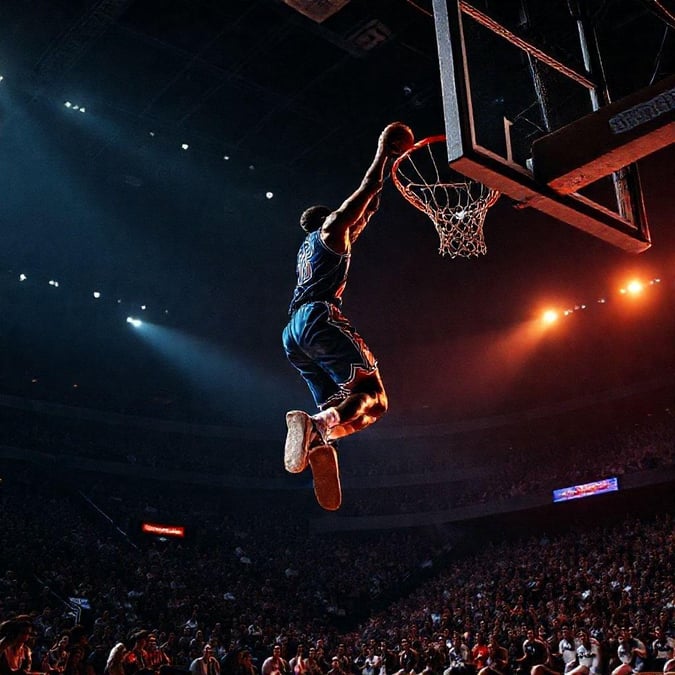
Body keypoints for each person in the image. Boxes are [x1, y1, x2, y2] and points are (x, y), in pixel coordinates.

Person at [282, 121, 414, 511]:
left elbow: (369, 209)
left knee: (354, 411)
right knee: (374, 396)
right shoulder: (331, 230)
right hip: (317, 319)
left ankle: (321, 434)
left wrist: (382, 189)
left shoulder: (307, 252)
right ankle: (319, 427)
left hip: (293, 333)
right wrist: (384, 154)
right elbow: (365, 194)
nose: (356, 225)